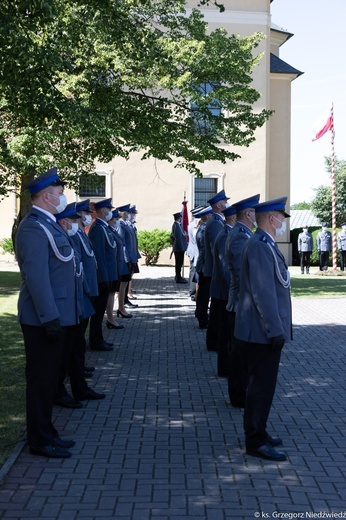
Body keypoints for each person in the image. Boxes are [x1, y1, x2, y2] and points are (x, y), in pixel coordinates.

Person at [16, 167, 76, 458]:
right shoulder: (32, 226)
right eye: (60, 194)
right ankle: (38, 439)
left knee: (50, 379)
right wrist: (49, 317)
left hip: (55, 314)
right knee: (41, 381)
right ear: (48, 196)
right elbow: (36, 277)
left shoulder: (48, 223)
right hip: (42, 318)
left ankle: (46, 430)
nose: (63, 198)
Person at [234, 197, 292, 462]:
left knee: (263, 387)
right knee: (260, 387)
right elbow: (263, 292)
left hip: (260, 330)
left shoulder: (264, 243)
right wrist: (274, 329)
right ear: (272, 219)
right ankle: (255, 441)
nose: (282, 222)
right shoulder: (259, 246)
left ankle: (260, 431)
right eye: (281, 217)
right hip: (260, 332)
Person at [55, 203, 106, 404]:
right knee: (70, 348)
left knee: (77, 346)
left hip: (80, 296)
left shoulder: (74, 235)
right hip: (73, 298)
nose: (80, 222)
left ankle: (80, 388)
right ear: (64, 221)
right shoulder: (66, 237)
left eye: (79, 218)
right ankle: (64, 391)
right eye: (75, 219)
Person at [225, 194, 260, 408]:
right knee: (238, 355)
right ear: (248, 214)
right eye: (255, 212)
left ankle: (241, 393)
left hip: (241, 303)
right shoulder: (240, 235)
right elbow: (241, 273)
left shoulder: (242, 233)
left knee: (241, 354)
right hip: (239, 304)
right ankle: (239, 396)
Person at [210, 205, 236, 376]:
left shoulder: (226, 233)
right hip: (223, 292)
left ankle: (225, 366)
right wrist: (231, 292)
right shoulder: (226, 235)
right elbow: (226, 268)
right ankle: (225, 368)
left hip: (222, 291)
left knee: (225, 331)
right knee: (226, 332)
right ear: (233, 218)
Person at [88, 198, 118, 350]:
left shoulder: (103, 227)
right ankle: (95, 340)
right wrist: (103, 278)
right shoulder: (98, 228)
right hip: (103, 277)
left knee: (100, 312)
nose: (110, 212)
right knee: (98, 312)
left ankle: (99, 338)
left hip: (108, 275)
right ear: (101, 211)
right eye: (108, 209)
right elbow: (99, 255)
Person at [203, 189, 230, 351]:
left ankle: (214, 340)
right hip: (215, 271)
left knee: (217, 308)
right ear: (219, 205)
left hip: (215, 271)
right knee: (217, 309)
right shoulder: (215, 223)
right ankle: (213, 341)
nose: (227, 204)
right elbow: (218, 249)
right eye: (225, 202)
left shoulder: (217, 221)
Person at [106, 209, 130, 327]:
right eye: (115, 219)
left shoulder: (112, 230)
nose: (117, 221)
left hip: (119, 263)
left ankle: (113, 317)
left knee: (113, 292)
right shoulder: (107, 230)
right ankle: (110, 318)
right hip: (113, 266)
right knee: (110, 293)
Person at [117, 204, 139, 314]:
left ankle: (125, 300)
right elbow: (122, 243)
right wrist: (126, 258)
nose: (128, 214)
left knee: (126, 281)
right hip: (126, 257)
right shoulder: (121, 225)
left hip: (130, 256)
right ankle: (123, 303)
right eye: (126, 212)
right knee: (123, 282)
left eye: (128, 213)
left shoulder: (127, 225)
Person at [194, 206, 213, 329]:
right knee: (204, 294)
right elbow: (205, 248)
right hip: (204, 265)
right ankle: (202, 317)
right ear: (207, 217)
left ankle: (201, 314)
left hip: (203, 265)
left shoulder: (202, 228)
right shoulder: (204, 229)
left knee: (203, 293)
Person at [171, 212, 188, 283]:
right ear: (179, 218)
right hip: (179, 248)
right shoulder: (177, 226)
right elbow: (178, 238)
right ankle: (178, 277)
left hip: (178, 248)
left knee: (179, 263)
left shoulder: (176, 225)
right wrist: (182, 248)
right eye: (181, 217)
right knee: (179, 263)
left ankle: (178, 276)